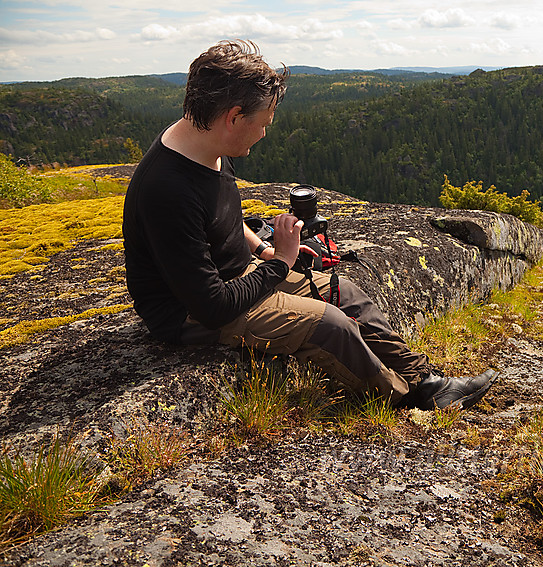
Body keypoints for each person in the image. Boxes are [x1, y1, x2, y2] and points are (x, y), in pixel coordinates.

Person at [122, 39, 498, 410]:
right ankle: (404, 400)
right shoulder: (168, 189)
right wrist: (280, 263)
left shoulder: (208, 144)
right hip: (190, 312)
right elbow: (212, 307)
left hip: (234, 278)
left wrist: (265, 249)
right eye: (263, 122)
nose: (265, 132)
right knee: (331, 324)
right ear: (233, 117)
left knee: (344, 292)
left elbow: (224, 218)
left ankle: (424, 380)